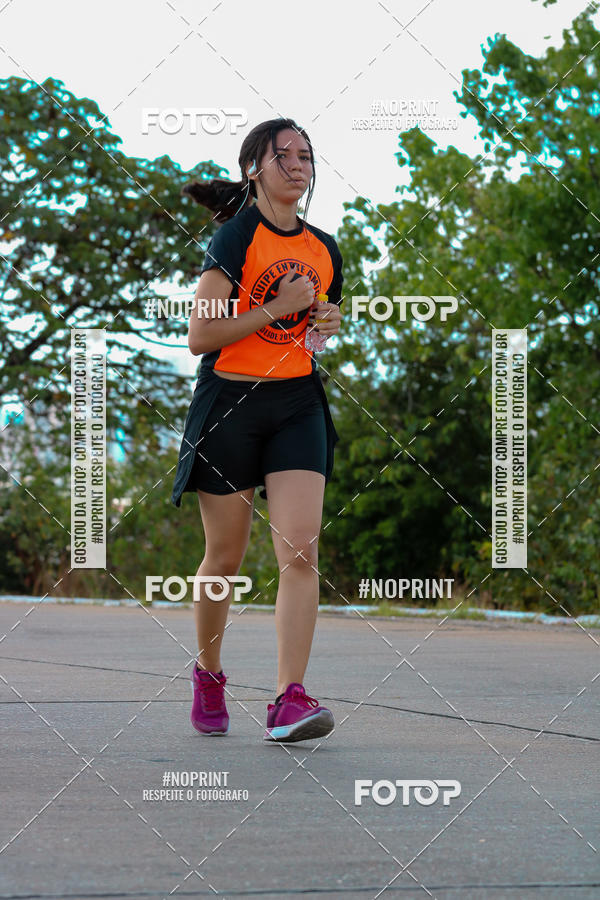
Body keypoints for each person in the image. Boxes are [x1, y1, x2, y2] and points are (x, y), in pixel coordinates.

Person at [171, 117, 344, 743]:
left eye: (307, 156)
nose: (299, 165)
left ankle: (288, 699)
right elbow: (200, 338)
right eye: (285, 156)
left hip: (296, 403)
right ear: (255, 167)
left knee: (300, 549)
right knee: (225, 557)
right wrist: (276, 307)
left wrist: (324, 321)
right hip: (229, 405)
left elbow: (318, 331)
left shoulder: (324, 246)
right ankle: (210, 673)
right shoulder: (234, 240)